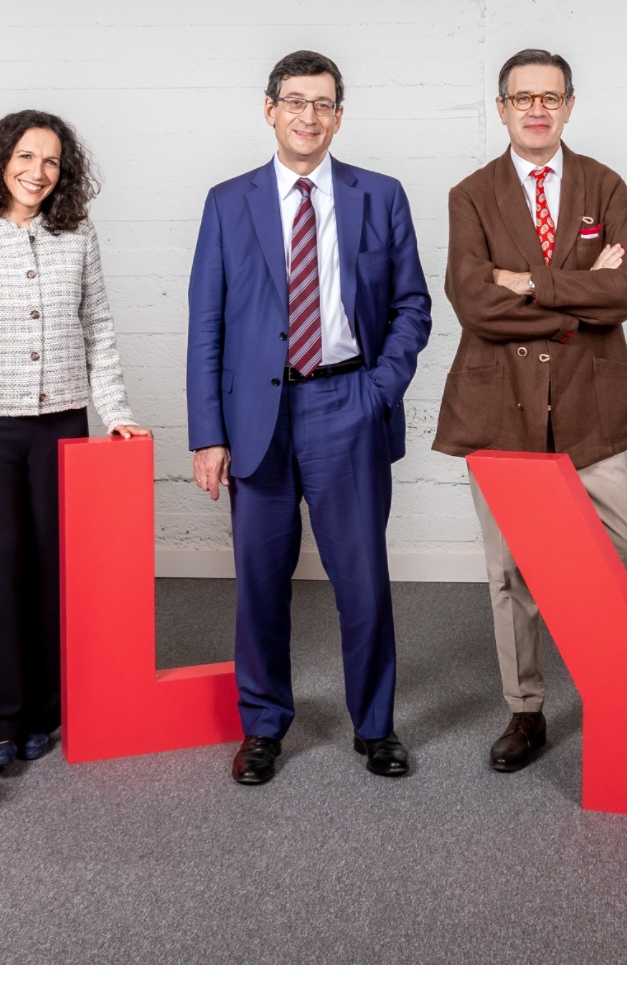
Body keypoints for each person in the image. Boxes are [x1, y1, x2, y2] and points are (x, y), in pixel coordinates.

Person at [186, 50, 433, 785]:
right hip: (256, 413)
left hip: (345, 403)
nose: (308, 115)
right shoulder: (228, 201)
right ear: (269, 109)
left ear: (339, 116)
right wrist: (208, 432)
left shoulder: (379, 195)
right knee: (259, 581)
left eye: (323, 103)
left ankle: (375, 725)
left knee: (362, 578)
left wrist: (375, 392)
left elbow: (412, 307)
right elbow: (206, 325)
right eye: (295, 101)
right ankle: (263, 725)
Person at [432, 48, 627, 772]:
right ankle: (525, 709)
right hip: (499, 406)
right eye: (522, 97)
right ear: (501, 108)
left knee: (615, 556)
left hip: (594, 402)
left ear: (569, 105)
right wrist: (572, 294)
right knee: (509, 571)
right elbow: (473, 302)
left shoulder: (605, 183)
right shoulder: (470, 194)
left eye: (549, 97)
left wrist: (524, 280)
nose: (536, 108)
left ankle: (615, 686)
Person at [0, 111, 150, 772]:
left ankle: (42, 711)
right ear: (0, 160)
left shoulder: (77, 237)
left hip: (61, 424)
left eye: (51, 162)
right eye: (25, 156)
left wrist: (116, 412)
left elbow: (98, 328)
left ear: (63, 173)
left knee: (53, 570)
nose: (36, 172)